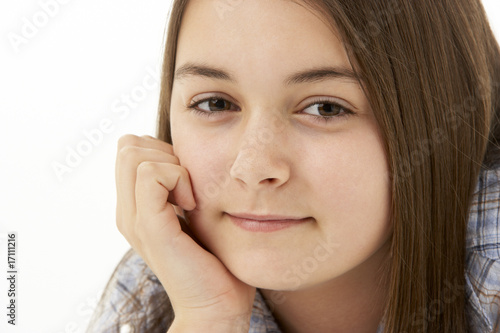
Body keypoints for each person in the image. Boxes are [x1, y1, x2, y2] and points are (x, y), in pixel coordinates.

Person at [87, 0, 500, 332]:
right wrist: (209, 317)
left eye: (325, 108)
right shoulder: (159, 284)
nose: (253, 166)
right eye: (215, 103)